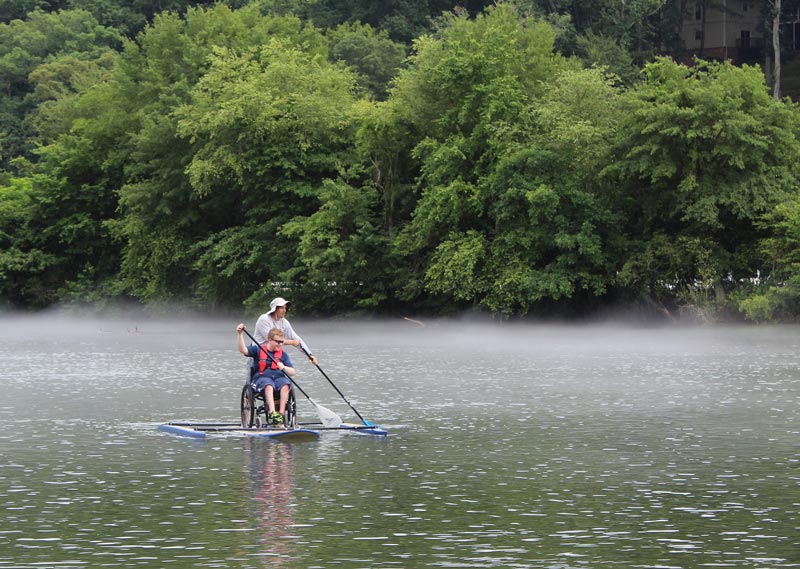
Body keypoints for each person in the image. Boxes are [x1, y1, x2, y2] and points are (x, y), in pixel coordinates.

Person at [237, 324, 295, 426]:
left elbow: (293, 372)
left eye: (282, 342)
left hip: (278, 379)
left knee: (286, 385)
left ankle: (281, 415)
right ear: (270, 340)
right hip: (261, 378)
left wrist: (284, 367)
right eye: (278, 342)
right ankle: (272, 413)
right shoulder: (258, 350)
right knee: (268, 385)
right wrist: (240, 334)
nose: (280, 344)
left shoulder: (283, 355)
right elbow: (243, 350)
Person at [253, 297, 318, 365]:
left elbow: (297, 339)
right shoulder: (264, 319)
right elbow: (272, 340)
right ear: (275, 309)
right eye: (282, 308)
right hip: (257, 355)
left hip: (272, 357)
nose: (285, 310)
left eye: (285, 308)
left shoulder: (284, 322)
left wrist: (310, 355)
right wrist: (291, 342)